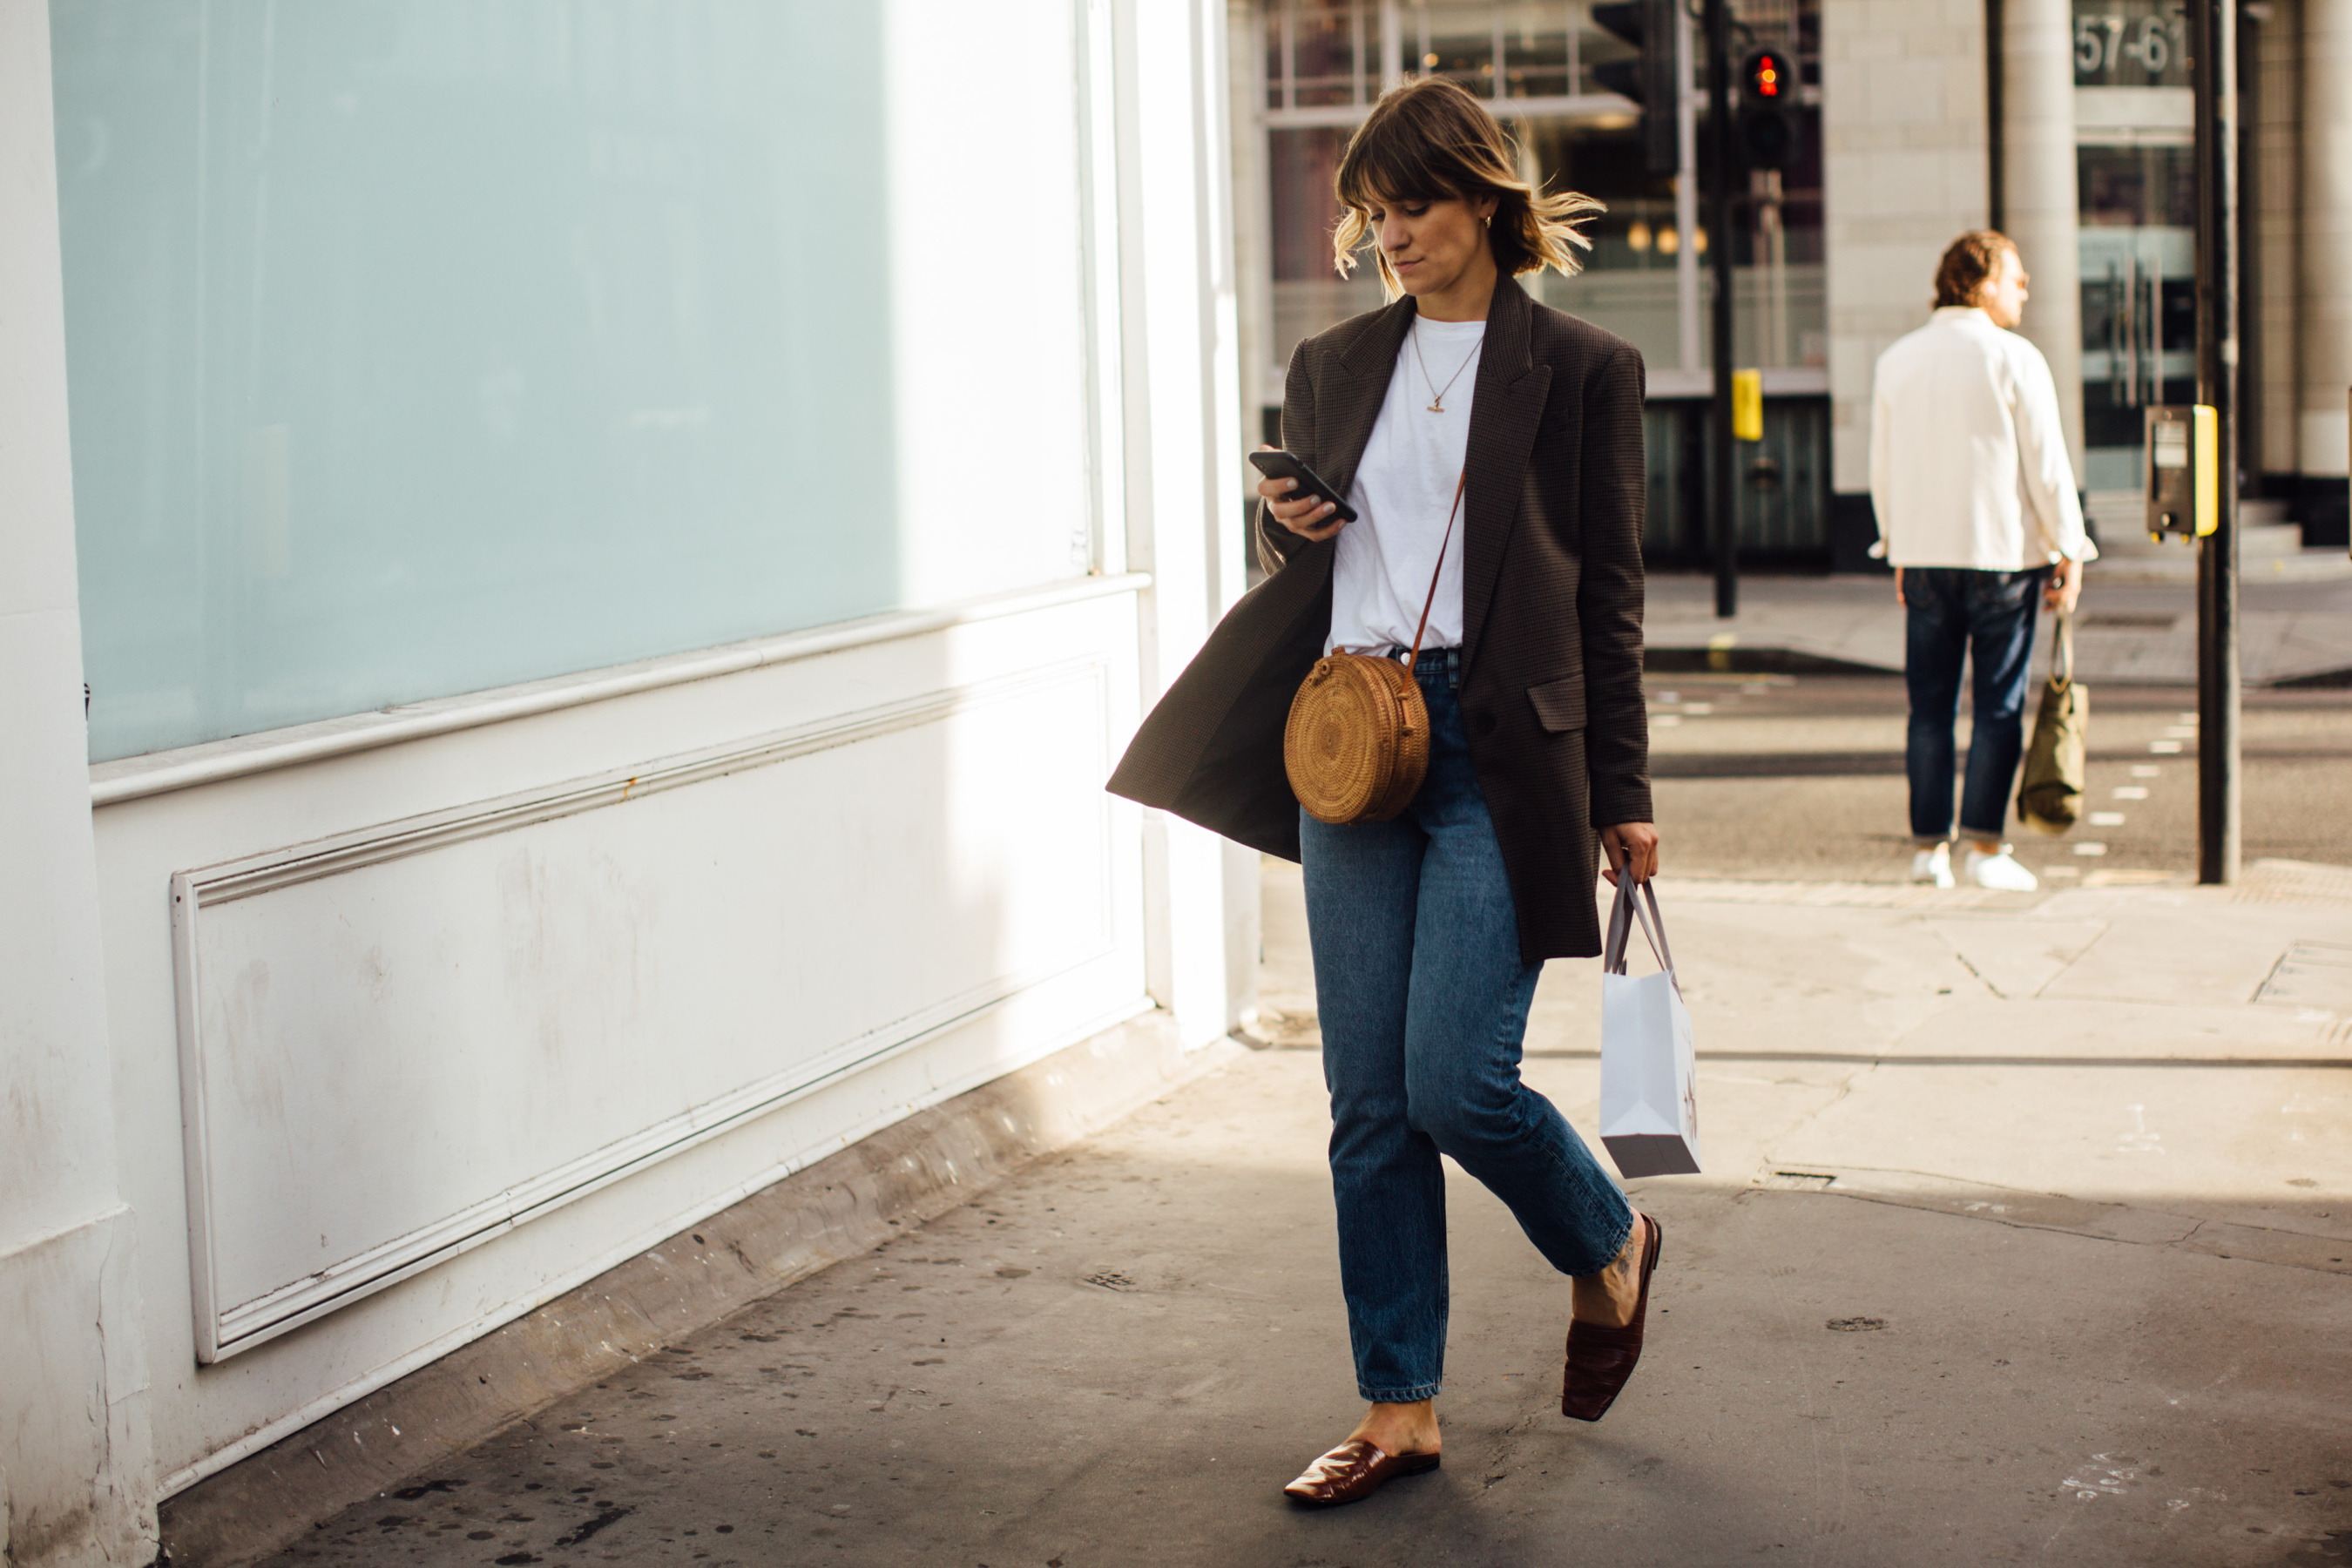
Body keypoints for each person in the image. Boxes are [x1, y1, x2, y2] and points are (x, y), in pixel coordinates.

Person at [1105, 77, 1662, 1509]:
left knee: (1456, 1084)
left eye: (1409, 204)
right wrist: (1289, 528)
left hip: (1499, 760)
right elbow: (1333, 556)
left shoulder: (1585, 370)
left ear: (1481, 197)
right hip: (1353, 743)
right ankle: (1399, 1407)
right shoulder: (1336, 363)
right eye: (1372, 209)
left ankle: (1610, 1241)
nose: (1387, 233)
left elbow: (1608, 598)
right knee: (1365, 1103)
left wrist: (1625, 788)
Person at [1869, 231, 2097, 893]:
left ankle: (1927, 851)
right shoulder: (2015, 358)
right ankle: (1985, 848)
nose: (2025, 289)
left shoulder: (1897, 360)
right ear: (1982, 280)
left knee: (1929, 708)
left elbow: (1883, 469)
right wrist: (2070, 547)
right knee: (1997, 707)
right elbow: (2047, 467)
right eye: (2017, 277)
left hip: (1926, 558)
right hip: (2003, 554)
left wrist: (1896, 547)